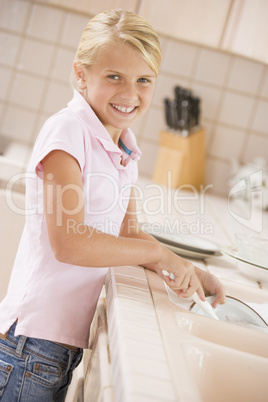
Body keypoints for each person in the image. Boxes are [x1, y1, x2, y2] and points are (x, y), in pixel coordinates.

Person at [0, 8, 225, 401]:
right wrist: (158, 253)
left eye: (143, 80)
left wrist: (183, 268)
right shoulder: (68, 131)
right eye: (114, 77)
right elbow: (69, 242)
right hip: (30, 344)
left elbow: (128, 232)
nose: (129, 93)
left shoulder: (122, 147)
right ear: (81, 74)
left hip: (58, 346)